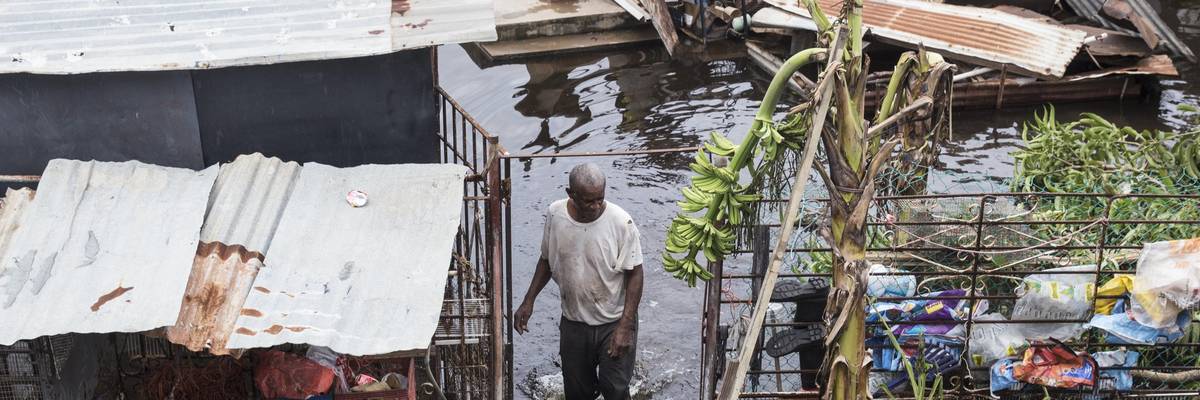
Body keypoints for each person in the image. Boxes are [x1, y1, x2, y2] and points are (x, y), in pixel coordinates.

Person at [514, 163, 644, 400]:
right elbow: (546, 259)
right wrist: (528, 301)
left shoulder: (621, 222)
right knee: (577, 392)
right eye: (588, 201)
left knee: (614, 389)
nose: (595, 207)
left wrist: (625, 326)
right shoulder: (555, 214)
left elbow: (635, 273)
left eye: (600, 200)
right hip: (574, 322)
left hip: (612, 321)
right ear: (571, 194)